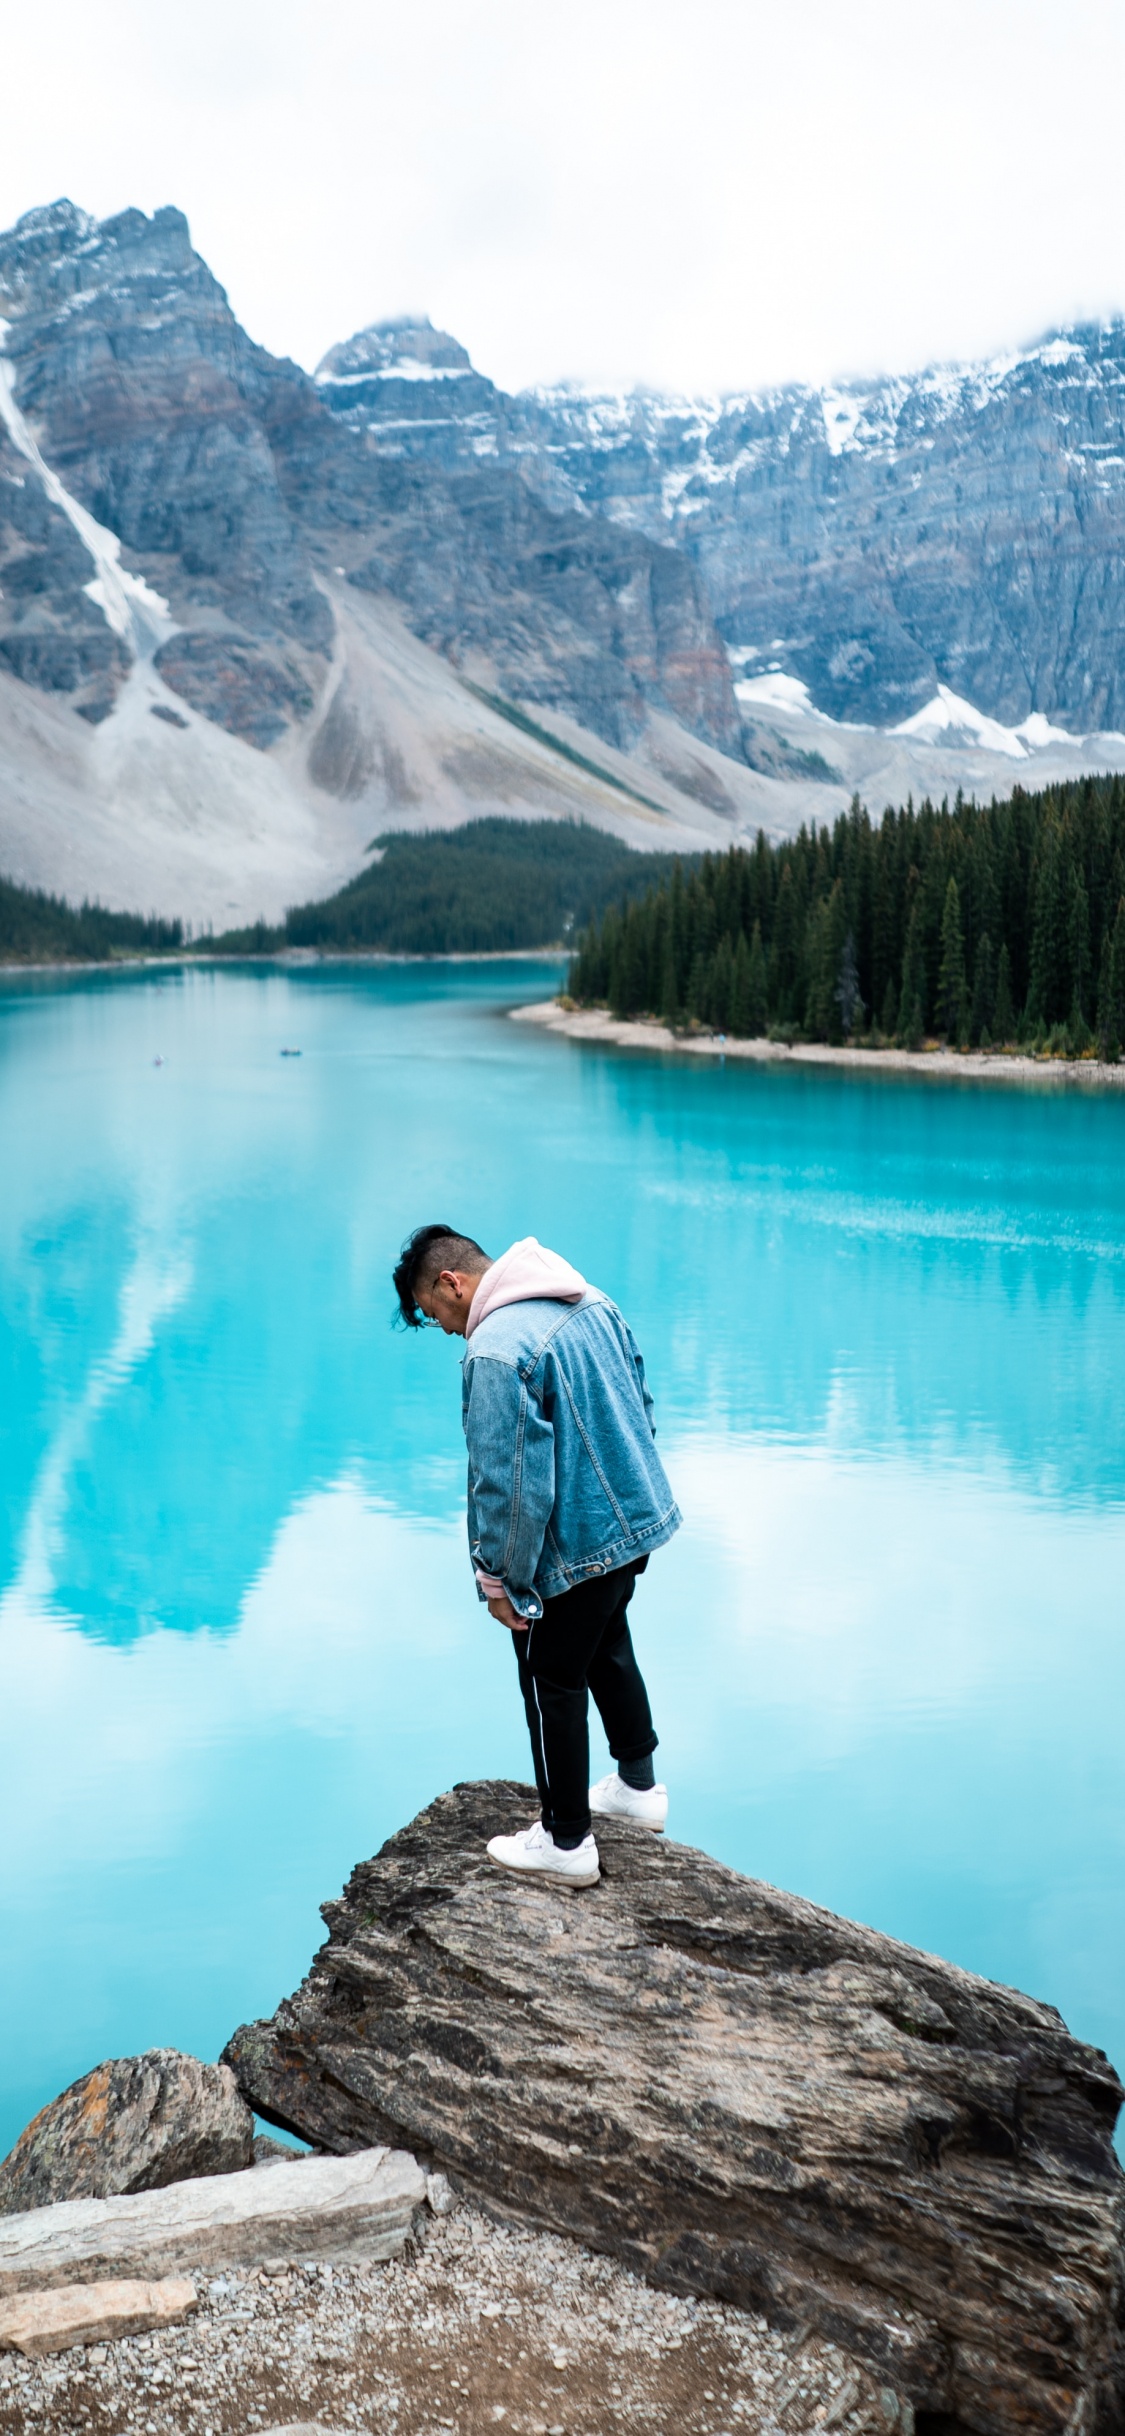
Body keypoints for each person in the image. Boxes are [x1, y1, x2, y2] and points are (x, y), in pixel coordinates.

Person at [392, 1225, 682, 1888]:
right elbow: (641, 1402)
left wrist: (500, 1579)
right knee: (607, 1641)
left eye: (432, 1313)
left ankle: (565, 1840)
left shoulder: (496, 1348)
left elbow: (507, 1484)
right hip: (634, 1521)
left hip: (574, 1543)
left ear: (450, 1283)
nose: (440, 1328)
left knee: (549, 1674)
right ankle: (637, 1790)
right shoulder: (590, 1302)